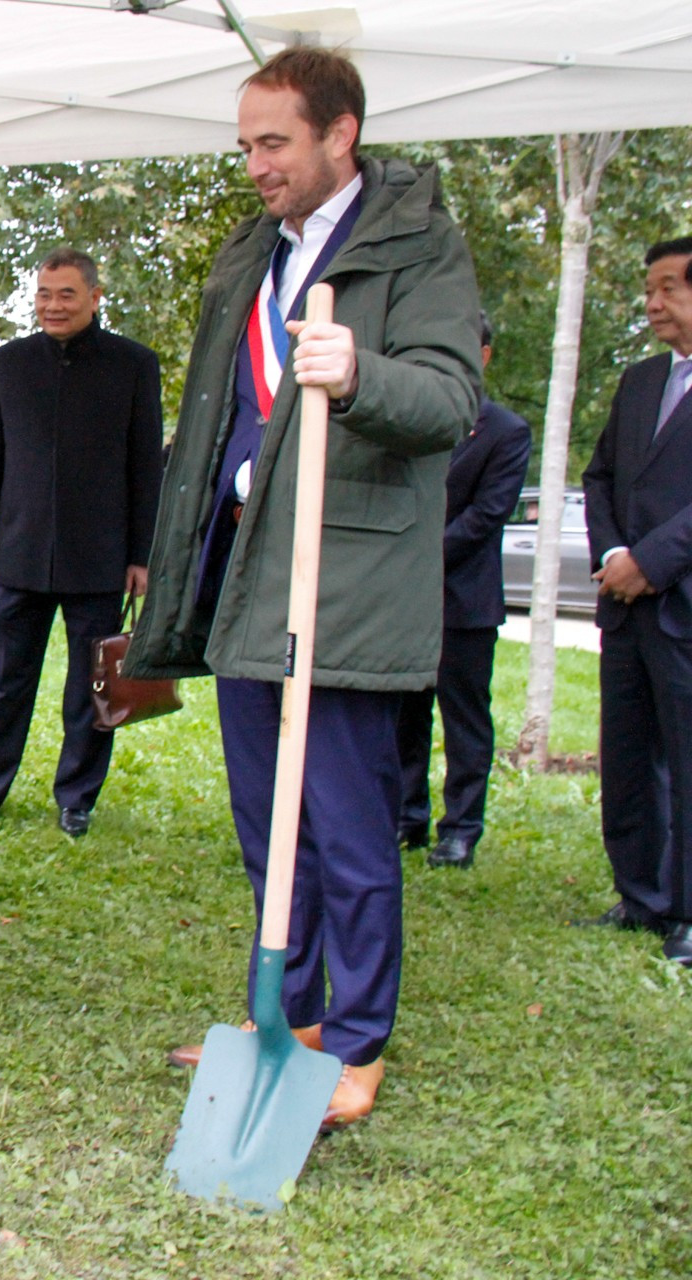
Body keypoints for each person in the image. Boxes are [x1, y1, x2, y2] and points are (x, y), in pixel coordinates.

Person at [124, 48, 483, 1128]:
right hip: (245, 562)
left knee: (341, 816)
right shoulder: (254, 250)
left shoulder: (418, 243)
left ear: (341, 135)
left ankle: (359, 1038)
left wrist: (361, 371)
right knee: (262, 815)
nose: (255, 165)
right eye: (244, 145)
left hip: (346, 567)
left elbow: (453, 398)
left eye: (273, 142)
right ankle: (292, 1011)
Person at [0, 248, 163, 838]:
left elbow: (147, 466)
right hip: (18, 550)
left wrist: (141, 554)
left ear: (95, 298)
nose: (53, 305)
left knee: (91, 685)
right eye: (44, 294)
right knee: (3, 682)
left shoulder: (133, 364)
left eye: (66, 294)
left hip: (99, 555)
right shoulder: (9, 363)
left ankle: (77, 798)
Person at [578, 235, 692, 965]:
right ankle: (641, 897)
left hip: (681, 601)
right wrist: (615, 555)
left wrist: (652, 561)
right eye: (649, 288)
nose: (653, 303)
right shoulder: (640, 381)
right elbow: (598, 477)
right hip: (625, 609)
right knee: (627, 760)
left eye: (670, 288)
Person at [395, 312, 531, 870]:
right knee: (405, 715)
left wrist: (417, 555)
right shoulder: (410, 421)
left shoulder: (506, 431)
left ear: (484, 355)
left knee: (465, 721)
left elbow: (487, 516)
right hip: (402, 601)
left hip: (463, 603)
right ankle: (407, 817)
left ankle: (462, 829)